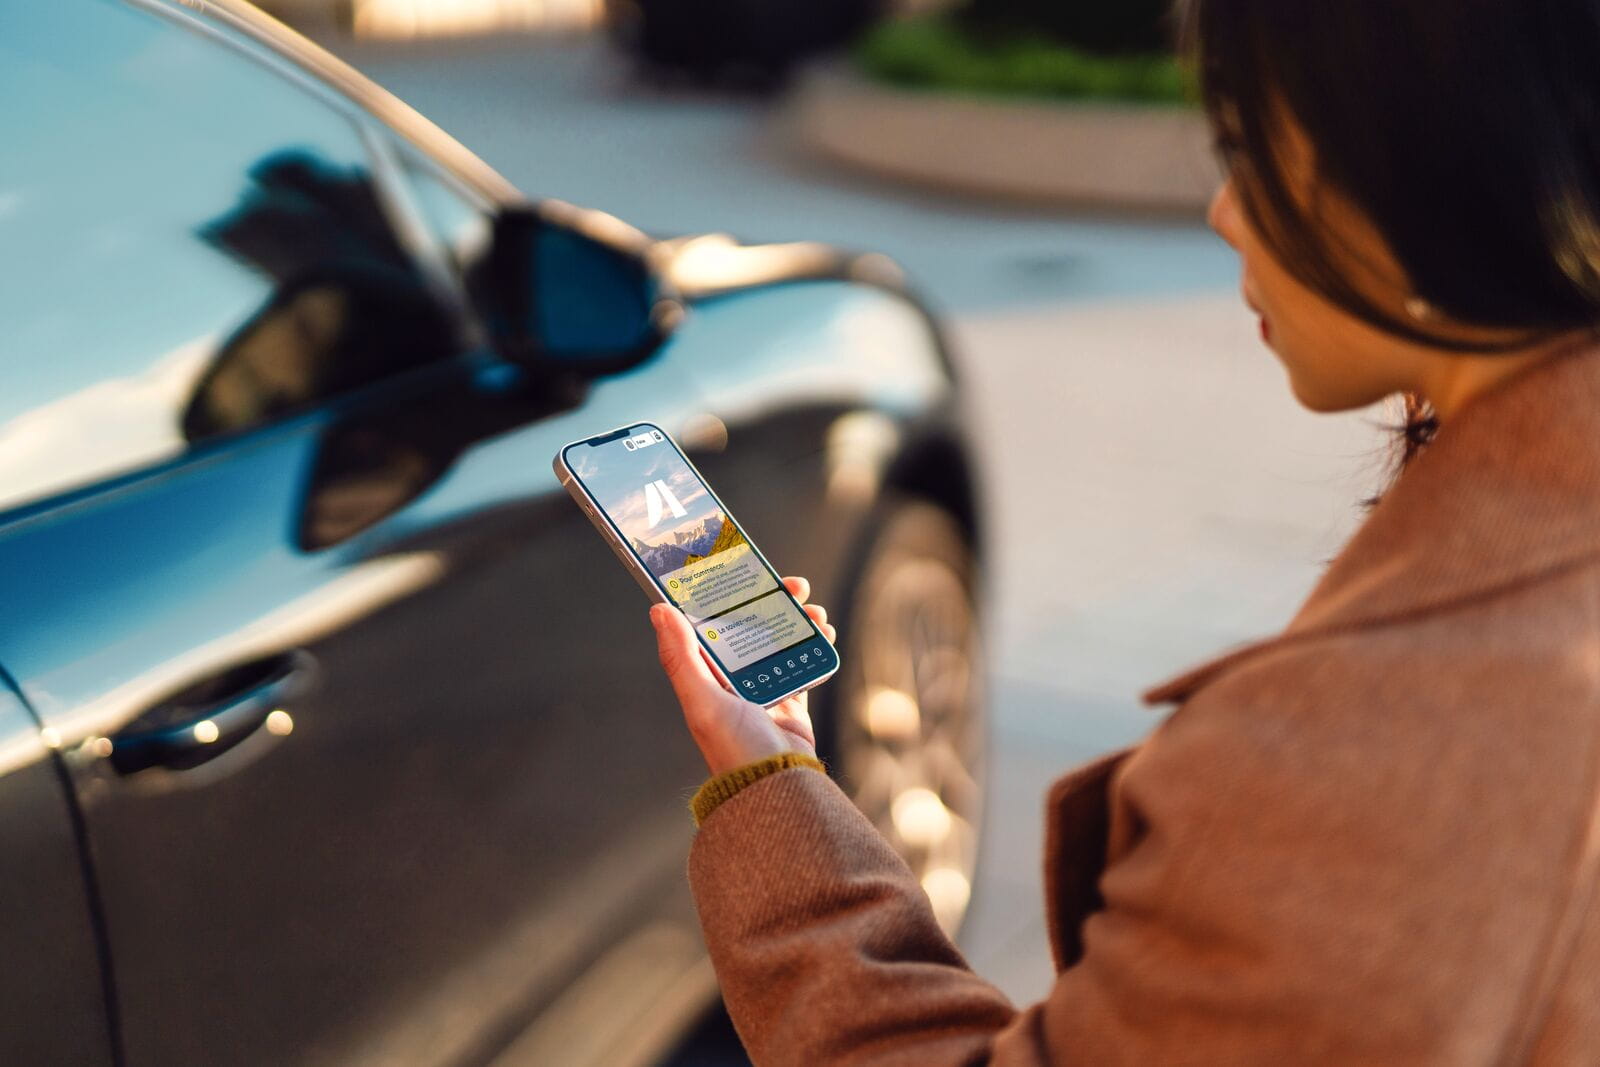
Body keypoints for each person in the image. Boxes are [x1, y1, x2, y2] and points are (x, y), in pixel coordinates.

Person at [648, 0, 1600, 1061]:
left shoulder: (1355, 753)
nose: (1224, 213)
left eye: (1245, 148)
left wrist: (767, 787)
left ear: (1433, 159)